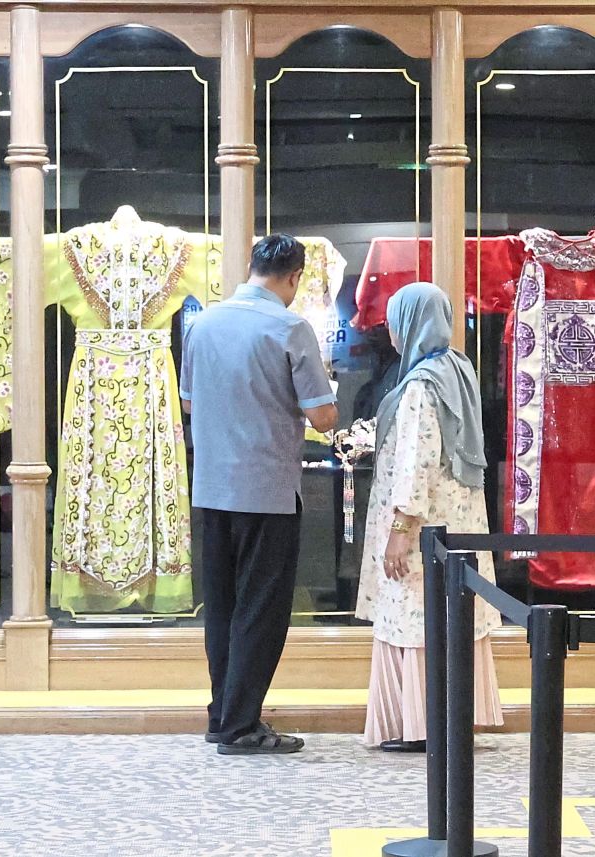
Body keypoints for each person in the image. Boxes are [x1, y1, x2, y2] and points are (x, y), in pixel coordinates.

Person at [181, 234, 338, 756]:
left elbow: (187, 401)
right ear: (293, 277)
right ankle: (240, 726)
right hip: (267, 489)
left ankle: (221, 712)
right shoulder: (290, 327)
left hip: (210, 487)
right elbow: (323, 415)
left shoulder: (202, 325)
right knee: (261, 609)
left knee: (222, 607)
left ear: (251, 267)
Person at [355, 282, 503, 752]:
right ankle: (448, 718)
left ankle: (422, 723)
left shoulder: (421, 384)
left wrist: (401, 529)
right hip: (457, 522)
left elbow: (419, 460)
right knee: (447, 615)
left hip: (425, 527)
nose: (392, 333)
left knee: (415, 616)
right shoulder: (457, 369)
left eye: (397, 321)